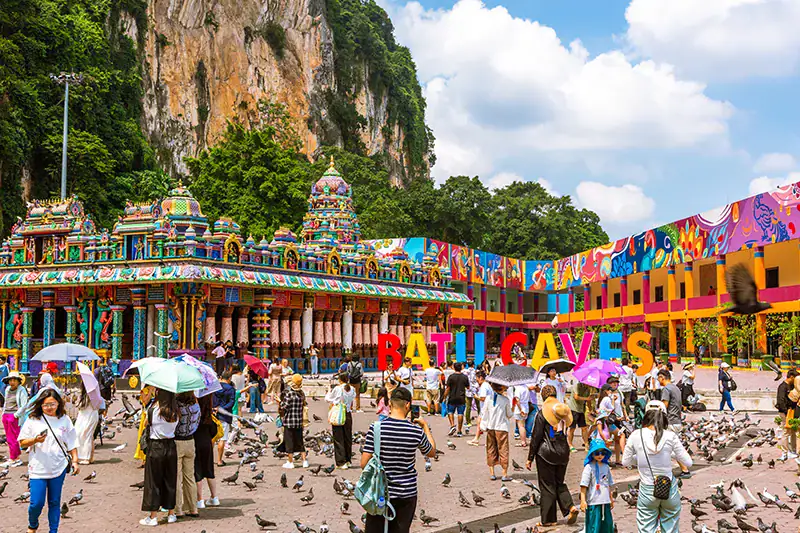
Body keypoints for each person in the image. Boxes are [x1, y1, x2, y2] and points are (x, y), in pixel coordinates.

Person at [361, 387, 436, 533]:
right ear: (408, 405)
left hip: (379, 493)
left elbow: (364, 463)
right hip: (406, 494)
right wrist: (425, 427)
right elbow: (431, 452)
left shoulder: (376, 428)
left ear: (389, 404)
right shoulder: (415, 431)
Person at [622, 401, 692, 533]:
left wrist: (640, 459)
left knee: (646, 528)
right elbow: (688, 463)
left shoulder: (636, 435)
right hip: (669, 488)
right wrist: (669, 454)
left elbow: (626, 462)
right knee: (670, 527)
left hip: (647, 489)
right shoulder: (670, 435)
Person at [18, 387, 80, 533]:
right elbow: (21, 442)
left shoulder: (64, 419)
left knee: (54, 502)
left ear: (58, 403)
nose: (49, 408)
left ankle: (53, 530)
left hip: (58, 467)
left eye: (52, 404)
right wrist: (35, 440)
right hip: (38, 468)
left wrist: (75, 461)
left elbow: (72, 442)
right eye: (46, 405)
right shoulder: (33, 419)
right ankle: (32, 524)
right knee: (36, 503)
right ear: (40, 405)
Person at [526, 385, 579, 528]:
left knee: (547, 485)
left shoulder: (543, 413)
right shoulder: (563, 412)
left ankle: (548, 519)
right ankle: (570, 506)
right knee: (559, 482)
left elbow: (536, 437)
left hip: (546, 453)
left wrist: (530, 457)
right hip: (563, 452)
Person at [140, 388, 179, 526]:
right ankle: (171, 513)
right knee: (170, 479)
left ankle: (153, 515)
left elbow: (146, 424)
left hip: (156, 446)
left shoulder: (154, 410)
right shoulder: (175, 411)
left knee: (153, 481)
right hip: (171, 446)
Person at [580, 439, 615, 533]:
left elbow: (608, 484)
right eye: (597, 453)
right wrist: (583, 501)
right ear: (592, 454)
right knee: (593, 527)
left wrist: (610, 498)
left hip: (605, 501)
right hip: (593, 502)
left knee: (607, 527)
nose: (600, 455)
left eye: (602, 453)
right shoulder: (589, 467)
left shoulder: (606, 466)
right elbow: (584, 485)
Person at [174, 392, 200, 519]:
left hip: (177, 441)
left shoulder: (177, 406)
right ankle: (193, 508)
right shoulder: (196, 406)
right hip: (190, 441)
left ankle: (178, 509)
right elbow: (197, 422)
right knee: (190, 477)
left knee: (177, 477)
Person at [483, 382, 513, 481]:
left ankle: (492, 473)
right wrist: (514, 406)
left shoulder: (488, 398)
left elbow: (484, 412)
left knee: (491, 448)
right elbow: (509, 414)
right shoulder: (505, 400)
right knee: (503, 449)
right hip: (502, 427)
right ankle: (504, 474)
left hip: (490, 427)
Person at [194, 394, 219, 509]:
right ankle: (214, 497)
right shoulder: (209, 413)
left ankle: (200, 500)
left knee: (197, 471)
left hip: (195, 441)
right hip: (207, 442)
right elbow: (214, 430)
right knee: (209, 469)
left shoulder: (194, 410)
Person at [326, 373, 356, 468]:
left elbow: (328, 399)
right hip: (348, 414)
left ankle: (341, 462)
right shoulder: (352, 389)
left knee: (338, 438)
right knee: (347, 437)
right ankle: (348, 460)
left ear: (340, 379)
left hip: (339, 414)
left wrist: (328, 390)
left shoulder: (338, 389)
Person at [280, 374, 308, 469]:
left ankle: (290, 462)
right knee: (300, 442)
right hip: (299, 421)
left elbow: (285, 406)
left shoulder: (290, 394)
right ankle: (304, 461)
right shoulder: (301, 394)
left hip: (289, 421)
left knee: (289, 442)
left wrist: (279, 402)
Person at [2, 370, 28, 467]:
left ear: (18, 381)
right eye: (10, 380)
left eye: (14, 380)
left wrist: (16, 415)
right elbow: (6, 402)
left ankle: (14, 458)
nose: (12, 382)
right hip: (6, 414)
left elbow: (24, 404)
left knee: (14, 438)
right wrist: (3, 413)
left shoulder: (21, 390)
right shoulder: (8, 389)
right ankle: (14, 457)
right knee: (9, 438)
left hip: (14, 415)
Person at [596, 384, 626, 465]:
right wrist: (613, 399)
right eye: (610, 390)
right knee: (619, 436)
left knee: (615, 438)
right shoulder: (606, 398)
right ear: (606, 391)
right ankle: (622, 457)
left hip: (605, 422)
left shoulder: (601, 399)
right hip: (607, 423)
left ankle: (614, 459)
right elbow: (611, 408)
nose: (611, 392)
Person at [74, 381, 101, 465]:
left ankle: (86, 457)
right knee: (83, 435)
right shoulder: (85, 395)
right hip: (85, 416)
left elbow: (81, 405)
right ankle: (87, 456)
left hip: (89, 416)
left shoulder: (92, 395)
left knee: (86, 435)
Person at [213, 372, 235, 467]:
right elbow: (231, 402)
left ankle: (209, 460)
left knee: (212, 438)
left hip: (213, 414)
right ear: (229, 378)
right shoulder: (231, 389)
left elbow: (212, 400)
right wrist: (222, 408)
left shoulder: (215, 387)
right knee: (222, 439)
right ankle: (219, 460)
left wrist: (215, 408)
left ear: (221, 377)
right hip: (224, 416)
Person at [777, 369, 798, 460]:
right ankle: (785, 452)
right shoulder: (783, 387)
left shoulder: (792, 386)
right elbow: (781, 401)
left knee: (793, 431)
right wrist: (786, 411)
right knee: (786, 432)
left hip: (791, 411)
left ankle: (793, 450)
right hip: (785, 412)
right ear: (792, 377)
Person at [445, 362, 470, 437]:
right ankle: (459, 431)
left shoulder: (451, 377)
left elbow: (448, 388)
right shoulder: (464, 377)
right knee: (460, 413)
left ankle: (452, 425)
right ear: (461, 368)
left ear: (454, 367)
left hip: (452, 397)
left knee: (450, 412)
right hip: (461, 397)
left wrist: (444, 397)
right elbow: (468, 387)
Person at [567, 381, 593, 452]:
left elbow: (588, 401)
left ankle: (586, 444)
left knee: (584, 428)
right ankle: (570, 445)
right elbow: (576, 397)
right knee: (572, 428)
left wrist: (591, 411)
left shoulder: (588, 389)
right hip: (573, 409)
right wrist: (586, 399)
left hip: (581, 410)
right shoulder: (577, 386)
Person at [468, 371, 492, 446]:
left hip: (485, 407)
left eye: (477, 379)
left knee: (485, 425)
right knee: (480, 422)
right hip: (486, 407)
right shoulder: (487, 385)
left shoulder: (484, 386)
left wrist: (476, 397)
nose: (477, 381)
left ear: (480, 378)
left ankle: (487, 441)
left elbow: (483, 398)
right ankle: (476, 439)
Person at [134, 385, 155, 466]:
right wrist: (150, 391)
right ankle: (144, 458)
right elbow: (145, 401)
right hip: (146, 416)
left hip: (155, 415)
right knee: (144, 436)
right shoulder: (144, 390)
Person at [464, 361, 477, 430]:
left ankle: (468, 421)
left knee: (468, 407)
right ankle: (481, 420)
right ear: (473, 365)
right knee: (479, 406)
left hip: (468, 390)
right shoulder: (476, 371)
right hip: (476, 389)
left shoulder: (465, 372)